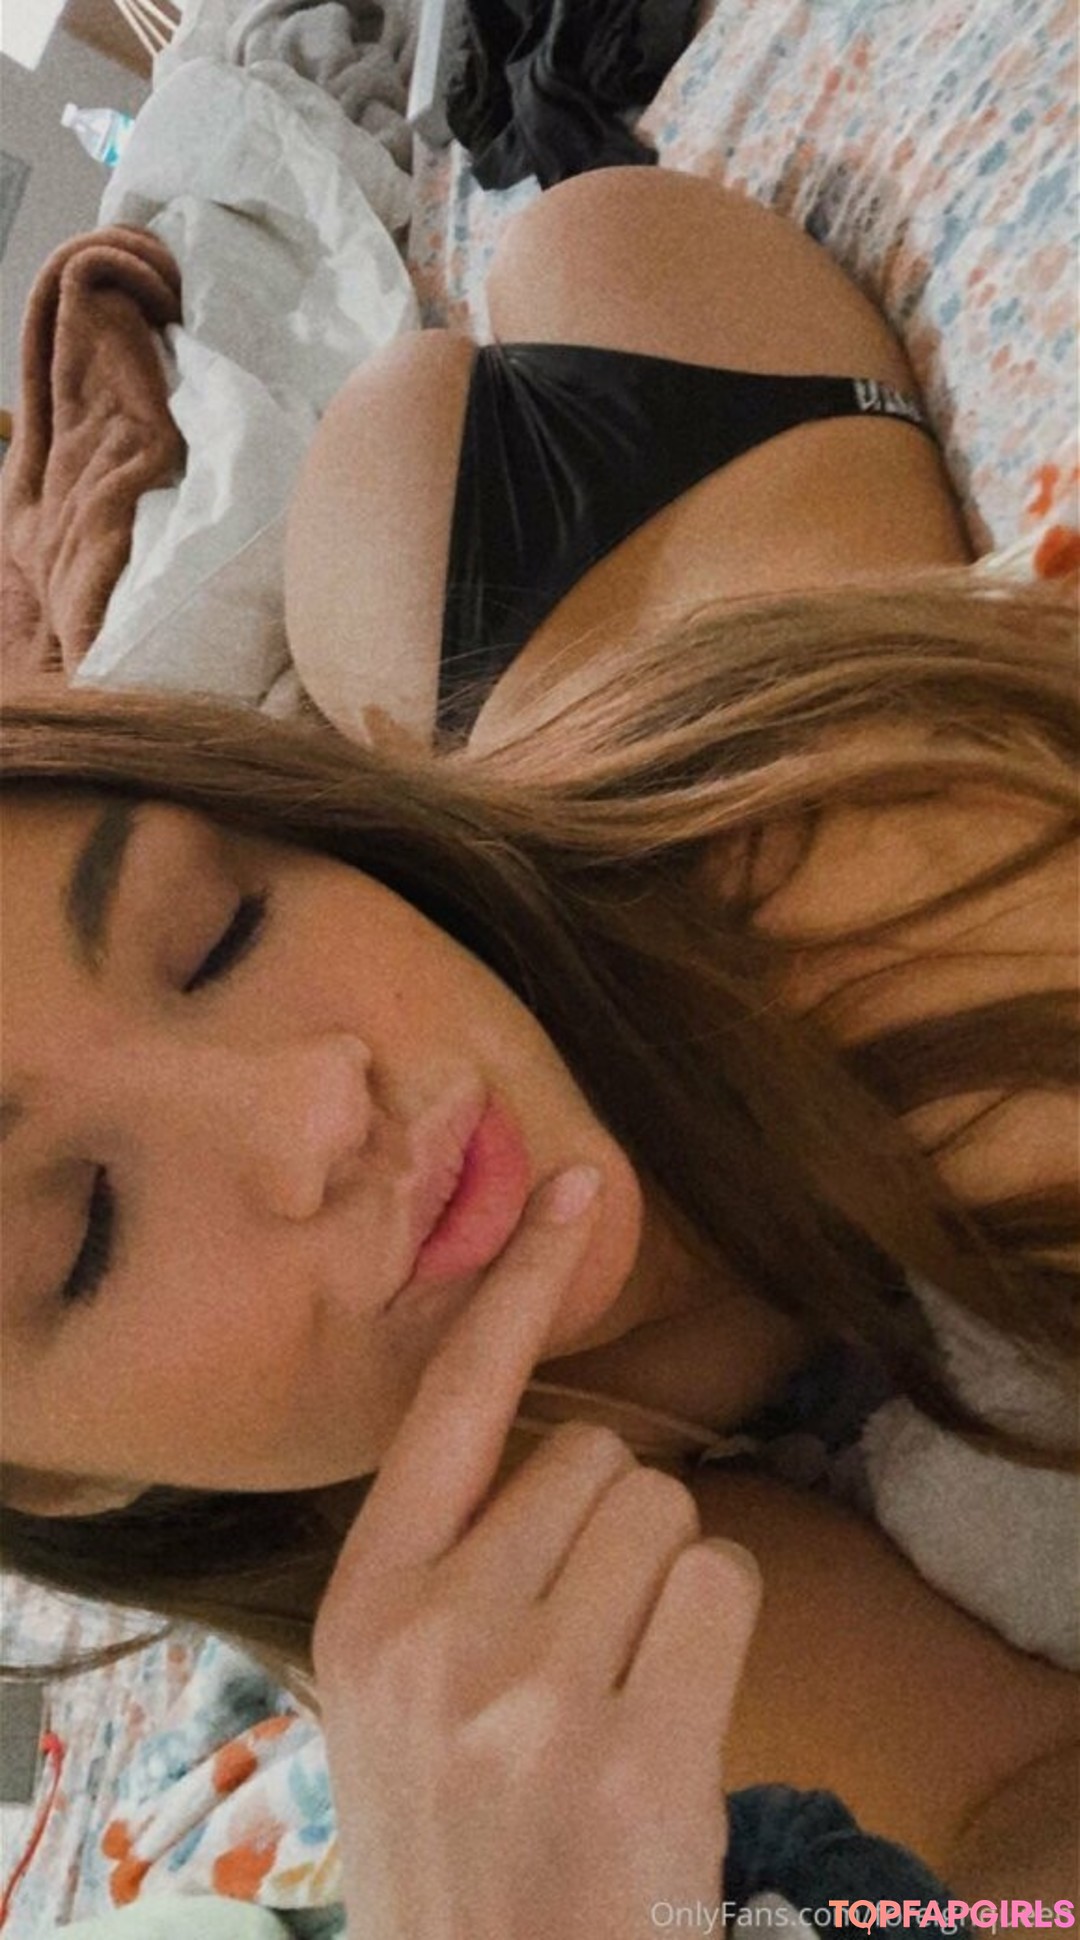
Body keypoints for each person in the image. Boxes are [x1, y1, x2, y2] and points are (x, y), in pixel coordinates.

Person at [1, 168, 1077, 1929]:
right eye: (85, 1231)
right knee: (389, 506)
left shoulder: (880, 922)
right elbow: (1010, 1834)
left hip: (686, 483)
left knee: (546, 262)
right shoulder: (447, 1592)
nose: (318, 1107)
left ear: (297, 835)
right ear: (65, 1474)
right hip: (475, 692)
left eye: (219, 929)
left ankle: (442, 773)